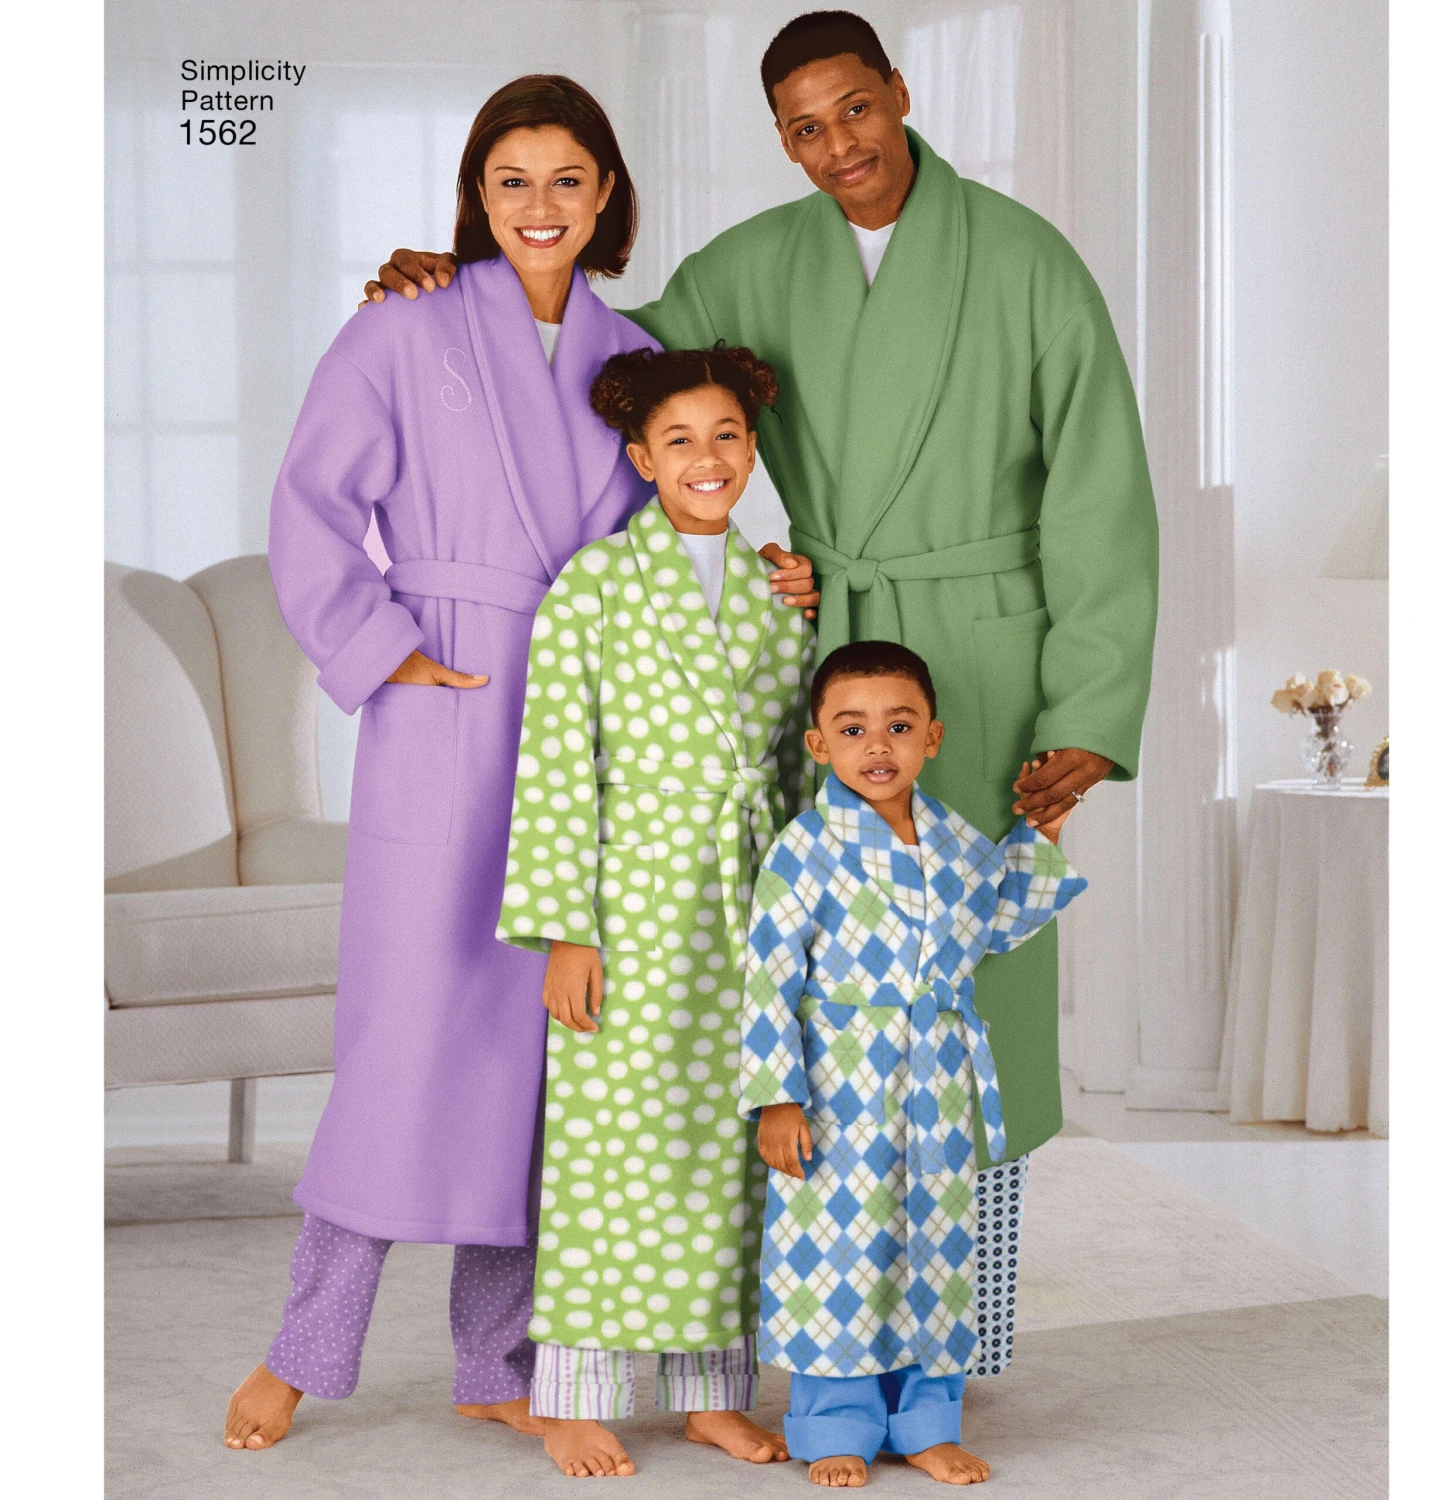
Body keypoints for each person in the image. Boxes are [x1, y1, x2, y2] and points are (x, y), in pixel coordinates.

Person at [364, 9, 1157, 1383]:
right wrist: (469, 290)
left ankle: (963, 1335)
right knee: (811, 972)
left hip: (982, 659)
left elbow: (1100, 491)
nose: (837, 145)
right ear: (781, 140)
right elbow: (608, 364)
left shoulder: (1028, 262)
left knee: (963, 975)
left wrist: (1085, 710)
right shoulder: (759, 264)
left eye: (855, 109)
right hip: (823, 646)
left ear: (898, 93)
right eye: (803, 127)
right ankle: (817, 1324)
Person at [224, 77, 818, 1453]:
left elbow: (683, 505)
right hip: (454, 712)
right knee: (403, 1053)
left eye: (567, 179)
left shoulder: (634, 356)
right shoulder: (403, 327)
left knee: (547, 1072)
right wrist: (384, 648)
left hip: (597, 737)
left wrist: (773, 577)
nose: (539, 206)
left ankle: (497, 1361)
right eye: (511, 180)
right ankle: (302, 1350)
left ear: (607, 193)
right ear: (475, 196)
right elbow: (311, 505)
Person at [497, 344, 814, 1477]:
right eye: (679, 441)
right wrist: (566, 929)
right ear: (641, 459)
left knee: (728, 1145)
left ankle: (712, 1393)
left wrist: (810, 911)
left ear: (753, 451)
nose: (706, 458)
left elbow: (798, 760)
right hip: (630, 898)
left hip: (748, 896)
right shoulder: (592, 586)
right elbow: (555, 763)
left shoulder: (783, 593)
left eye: (726, 436)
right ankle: (574, 1393)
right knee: (610, 1142)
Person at [739, 641, 1085, 1487]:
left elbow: (995, 922)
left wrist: (1044, 833)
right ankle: (836, 1424)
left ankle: (927, 1421)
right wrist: (778, 1098)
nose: (877, 746)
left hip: (936, 1074)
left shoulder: (954, 837)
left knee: (935, 1244)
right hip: (840, 1080)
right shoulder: (803, 847)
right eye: (852, 728)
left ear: (932, 736)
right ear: (819, 743)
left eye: (899, 727)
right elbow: (770, 976)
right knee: (841, 1251)